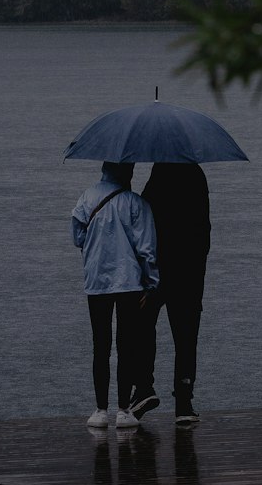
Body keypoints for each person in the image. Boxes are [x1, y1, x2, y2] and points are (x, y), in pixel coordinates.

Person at [71, 161, 159, 430]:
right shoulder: (136, 203)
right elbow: (147, 249)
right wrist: (151, 283)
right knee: (127, 345)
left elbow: (77, 237)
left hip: (96, 280)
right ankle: (123, 410)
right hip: (129, 282)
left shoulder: (87, 197)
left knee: (101, 344)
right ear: (128, 172)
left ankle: (100, 410)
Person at [131, 162, 210, 425]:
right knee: (186, 336)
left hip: (158, 270)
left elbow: (143, 221)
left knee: (143, 324)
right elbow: (203, 229)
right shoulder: (197, 175)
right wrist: (198, 267)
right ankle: (184, 402)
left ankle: (144, 386)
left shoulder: (160, 173)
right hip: (189, 272)